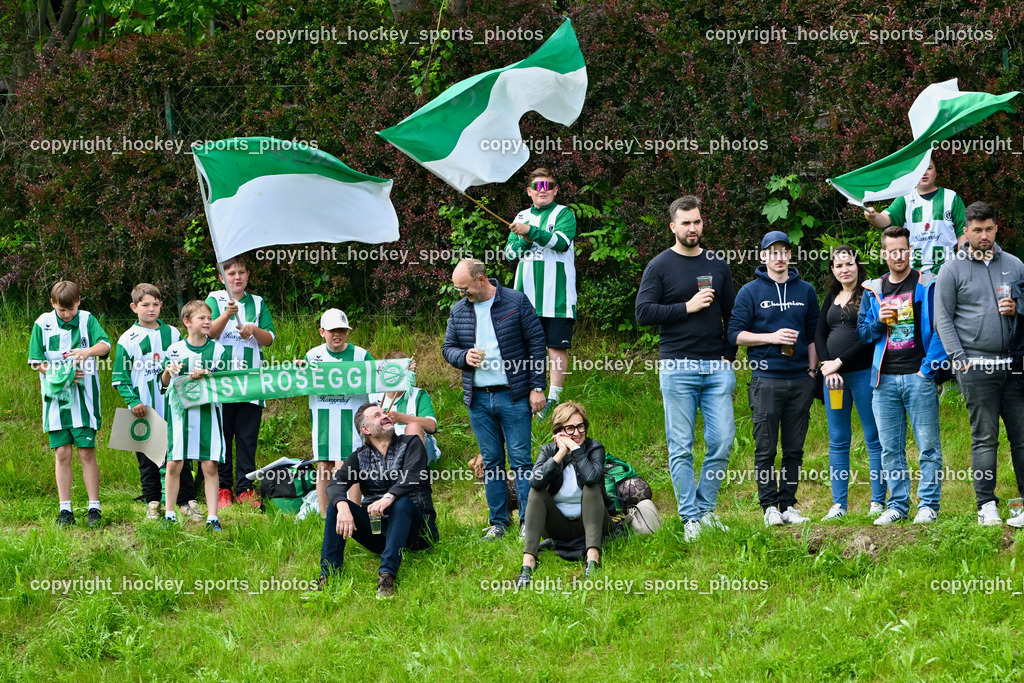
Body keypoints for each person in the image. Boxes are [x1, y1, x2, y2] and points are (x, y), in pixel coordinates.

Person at [635, 195, 737, 541]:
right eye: (685, 223)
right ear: (673, 227)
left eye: (697, 222)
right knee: (681, 445)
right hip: (677, 365)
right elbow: (643, 313)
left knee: (722, 441)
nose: (692, 228)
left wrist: (729, 353)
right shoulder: (660, 266)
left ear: (701, 223)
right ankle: (690, 517)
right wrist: (687, 307)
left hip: (716, 367)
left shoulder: (718, 265)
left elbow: (733, 315)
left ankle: (706, 509)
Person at [442, 258, 547, 539]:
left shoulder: (516, 301)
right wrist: (463, 356)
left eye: (464, 288)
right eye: (458, 290)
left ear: (480, 280)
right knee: (492, 463)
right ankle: (499, 522)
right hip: (478, 399)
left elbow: (537, 344)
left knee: (522, 461)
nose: (461, 294)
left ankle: (528, 520)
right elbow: (448, 348)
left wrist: (537, 386)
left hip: (514, 395)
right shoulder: (459, 310)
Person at [935, 201, 1024, 526]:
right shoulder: (952, 269)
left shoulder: (1015, 265)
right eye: (977, 230)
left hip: (1014, 365)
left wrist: (1017, 309)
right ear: (966, 232)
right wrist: (960, 361)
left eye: (988, 229)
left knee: (1022, 436)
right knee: (985, 437)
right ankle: (986, 505)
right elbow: (942, 320)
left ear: (996, 227)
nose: (983, 235)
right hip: (975, 364)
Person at [727, 231, 819, 526]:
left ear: (790, 255)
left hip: (800, 379)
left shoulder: (805, 290)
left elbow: (814, 334)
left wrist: (813, 370)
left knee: (794, 447)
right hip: (766, 379)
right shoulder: (750, 292)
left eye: (784, 251)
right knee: (765, 447)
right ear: (763, 256)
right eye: (773, 252)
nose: (779, 257)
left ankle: (789, 504)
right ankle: (769, 507)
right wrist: (771, 337)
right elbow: (735, 334)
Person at [858, 225, 947, 526]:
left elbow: (940, 330)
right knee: (890, 448)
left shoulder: (926, 284)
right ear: (883, 254)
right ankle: (897, 505)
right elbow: (864, 334)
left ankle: (929, 504)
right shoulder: (874, 289)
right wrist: (878, 323)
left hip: (917, 377)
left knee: (928, 445)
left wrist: (927, 371)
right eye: (892, 251)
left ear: (910, 250)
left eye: (903, 249)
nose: (898, 255)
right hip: (883, 381)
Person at [319, 403, 439, 599]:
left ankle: (386, 576)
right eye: (376, 415)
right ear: (365, 430)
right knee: (337, 505)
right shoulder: (359, 457)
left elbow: (413, 475)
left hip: (418, 532)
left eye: (384, 413)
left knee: (401, 502)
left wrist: (389, 497)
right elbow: (335, 484)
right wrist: (342, 505)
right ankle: (328, 575)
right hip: (380, 534)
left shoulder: (411, 444)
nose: (384, 416)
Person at [111, 283, 202, 521]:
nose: (151, 309)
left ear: (161, 305)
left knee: (179, 453)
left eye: (155, 304)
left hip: (173, 407)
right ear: (134, 307)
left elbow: (183, 363)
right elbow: (120, 376)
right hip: (143, 408)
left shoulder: (172, 333)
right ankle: (152, 501)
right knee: (147, 456)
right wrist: (133, 401)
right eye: (145, 305)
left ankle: (186, 500)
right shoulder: (127, 338)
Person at [28, 281, 110, 527]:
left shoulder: (87, 320)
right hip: (56, 401)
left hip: (84, 400)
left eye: (71, 309)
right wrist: (60, 374)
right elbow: (35, 361)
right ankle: (66, 509)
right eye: (62, 310)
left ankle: (93, 508)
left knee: (86, 452)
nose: (67, 314)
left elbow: (105, 346)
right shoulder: (42, 324)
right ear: (53, 304)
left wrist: (87, 352)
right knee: (62, 453)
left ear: (79, 302)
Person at [815, 248, 885, 520]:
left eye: (849, 263)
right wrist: (826, 366)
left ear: (858, 266)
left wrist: (839, 362)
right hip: (834, 381)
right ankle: (839, 505)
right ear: (832, 269)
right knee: (838, 440)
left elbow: (867, 338)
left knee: (873, 438)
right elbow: (820, 334)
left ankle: (878, 501)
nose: (845, 269)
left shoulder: (869, 293)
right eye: (839, 264)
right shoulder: (831, 297)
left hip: (863, 374)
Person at [504, 167, 577, 417]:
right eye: (537, 187)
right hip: (524, 297)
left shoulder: (564, 213)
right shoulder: (522, 215)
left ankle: (553, 399)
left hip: (558, 295)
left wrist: (530, 232)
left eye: (548, 186)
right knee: (525, 346)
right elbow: (509, 253)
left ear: (555, 190)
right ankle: (530, 392)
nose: (542, 191)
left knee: (556, 347)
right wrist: (524, 238)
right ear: (529, 191)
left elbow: (561, 242)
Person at [517, 401, 613, 587]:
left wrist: (576, 450)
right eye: (570, 428)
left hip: (591, 524)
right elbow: (535, 481)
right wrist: (560, 453)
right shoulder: (548, 450)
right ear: (558, 430)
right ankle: (528, 562)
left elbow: (592, 477)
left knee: (591, 487)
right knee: (536, 493)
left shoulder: (595, 448)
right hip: (559, 527)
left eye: (580, 426)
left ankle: (593, 558)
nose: (577, 433)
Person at [206, 255, 275, 508]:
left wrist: (252, 330)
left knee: (247, 438)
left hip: (251, 383)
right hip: (221, 382)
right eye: (231, 273)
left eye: (242, 272)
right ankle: (223, 488)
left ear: (248, 275)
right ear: (221, 277)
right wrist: (226, 314)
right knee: (222, 437)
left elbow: (268, 338)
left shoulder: (258, 303)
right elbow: (209, 332)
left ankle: (245, 488)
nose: (237, 277)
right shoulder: (215, 299)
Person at [160, 301, 231, 531]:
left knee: (209, 465)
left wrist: (208, 374)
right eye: (202, 318)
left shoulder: (218, 350)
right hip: (180, 416)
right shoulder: (174, 350)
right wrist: (167, 373)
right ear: (187, 322)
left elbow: (226, 384)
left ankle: (213, 518)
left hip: (208, 415)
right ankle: (169, 514)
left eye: (209, 318)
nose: (208, 322)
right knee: (174, 464)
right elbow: (163, 384)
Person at [304, 308, 373, 516]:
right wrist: (300, 370)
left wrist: (404, 370)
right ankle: (325, 515)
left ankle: (354, 513)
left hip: (350, 419)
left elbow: (380, 376)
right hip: (324, 418)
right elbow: (299, 382)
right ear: (321, 332)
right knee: (323, 465)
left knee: (349, 465)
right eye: (333, 330)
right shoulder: (312, 355)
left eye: (342, 330)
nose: (337, 334)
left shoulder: (361, 354)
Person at [863, 158, 967, 275]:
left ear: (936, 172)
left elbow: (962, 232)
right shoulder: (905, 199)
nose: (924, 172)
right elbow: (885, 219)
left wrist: (962, 262)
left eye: (929, 168)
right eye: (920, 169)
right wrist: (873, 216)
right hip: (915, 273)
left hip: (948, 270)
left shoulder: (951, 197)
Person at [371, 351, 440, 466]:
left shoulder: (418, 395)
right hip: (385, 448)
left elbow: (432, 426)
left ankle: (414, 474)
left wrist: (401, 418)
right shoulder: (374, 396)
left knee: (413, 427)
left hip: (417, 450)